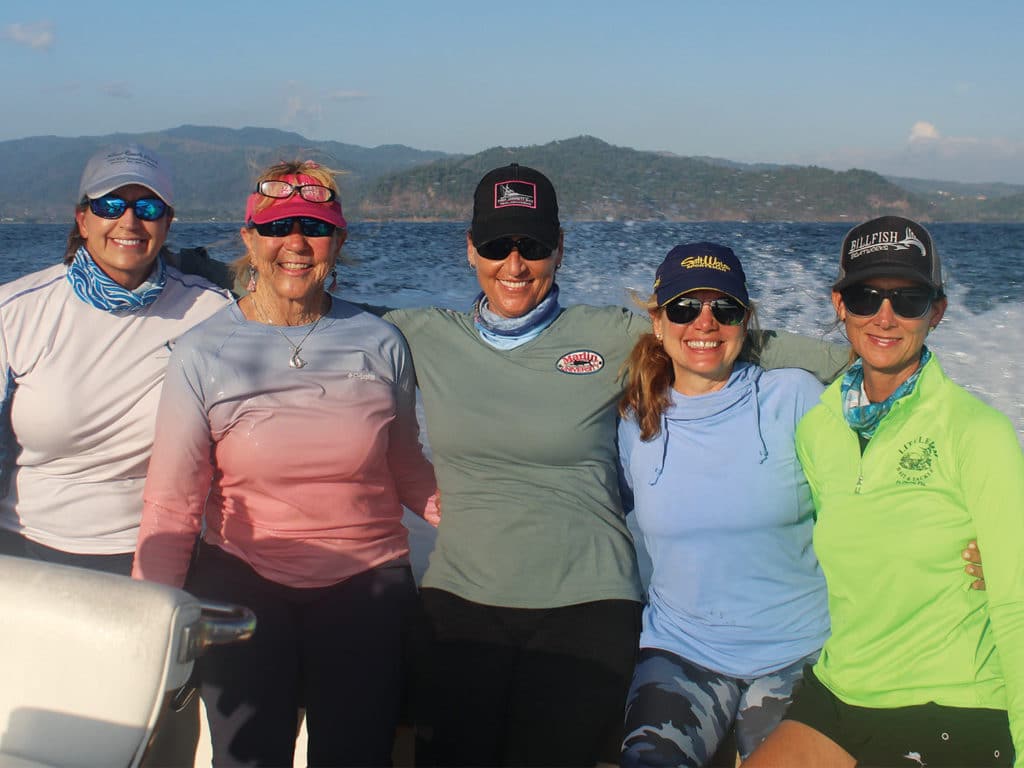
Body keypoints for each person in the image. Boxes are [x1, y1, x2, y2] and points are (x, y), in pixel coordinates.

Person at [379, 164, 852, 767]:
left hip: (589, 604)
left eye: (536, 246)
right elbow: (326, 327)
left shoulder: (610, 334)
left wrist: (876, 357)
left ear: (560, 250)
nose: (516, 264)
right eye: (498, 246)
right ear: (471, 250)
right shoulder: (419, 335)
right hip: (461, 601)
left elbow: (710, 337)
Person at [132, 159, 439, 767]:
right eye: (277, 228)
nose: (295, 244)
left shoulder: (381, 343)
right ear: (250, 239)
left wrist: (493, 538)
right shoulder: (202, 352)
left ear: (340, 240)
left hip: (368, 587)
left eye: (314, 227)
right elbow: (173, 500)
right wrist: (149, 625)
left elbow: (407, 467)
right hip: (243, 586)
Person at [744, 216, 1024, 768]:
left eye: (909, 299)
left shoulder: (978, 432)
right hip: (841, 688)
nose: (885, 316)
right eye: (866, 296)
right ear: (839, 304)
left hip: (949, 701)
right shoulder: (819, 427)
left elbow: (1016, 603)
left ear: (936, 312)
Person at [0, 142, 231, 764]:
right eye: (111, 204)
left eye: (148, 206)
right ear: (82, 219)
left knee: (154, 743)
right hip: (29, 558)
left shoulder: (213, 314)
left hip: (155, 564)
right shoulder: (16, 312)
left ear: (169, 222)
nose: (129, 221)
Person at [616, 242, 829, 767]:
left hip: (796, 651)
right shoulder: (633, 421)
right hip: (681, 651)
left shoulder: (795, 399)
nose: (705, 323)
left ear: (745, 320)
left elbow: (872, 496)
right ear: (659, 322)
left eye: (724, 309)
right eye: (686, 308)